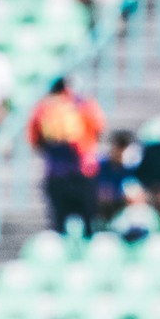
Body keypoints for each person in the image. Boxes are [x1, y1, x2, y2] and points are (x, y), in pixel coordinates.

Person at [27, 77, 105, 236]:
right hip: (84, 171)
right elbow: (99, 127)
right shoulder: (84, 104)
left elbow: (35, 139)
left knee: (59, 225)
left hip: (55, 173)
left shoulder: (43, 107)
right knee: (89, 225)